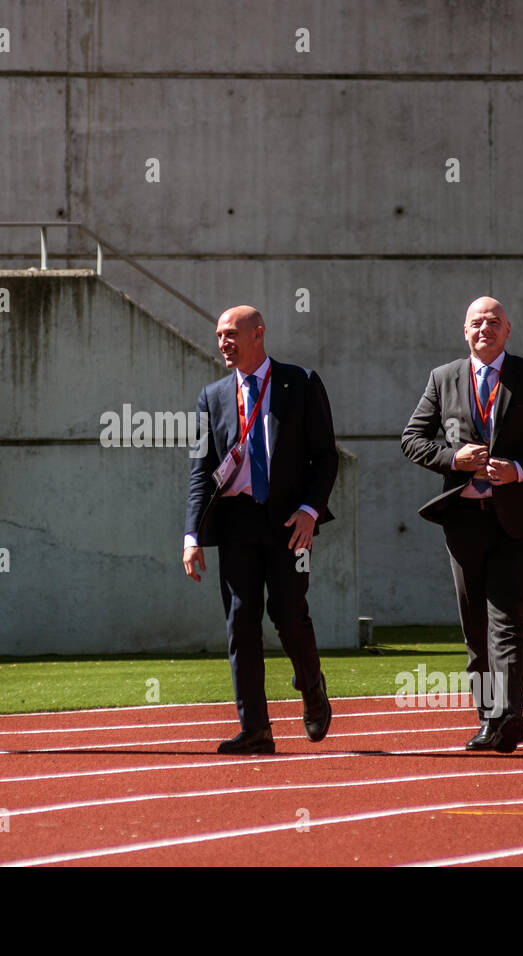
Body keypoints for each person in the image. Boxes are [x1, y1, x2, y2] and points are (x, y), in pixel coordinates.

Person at [401, 296, 523, 753]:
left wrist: (520, 470)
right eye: (477, 322)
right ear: (465, 331)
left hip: (516, 521)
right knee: (475, 628)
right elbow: (412, 438)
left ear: (508, 331)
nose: (485, 328)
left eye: (494, 322)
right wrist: (453, 458)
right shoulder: (443, 379)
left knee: (506, 620)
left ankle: (506, 717)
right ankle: (492, 717)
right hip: (462, 521)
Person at [183, 305, 338, 754]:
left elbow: (325, 457)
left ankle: (312, 687)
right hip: (236, 523)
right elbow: (201, 470)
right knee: (240, 623)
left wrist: (311, 510)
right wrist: (192, 536)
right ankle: (255, 728)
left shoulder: (301, 382)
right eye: (218, 335)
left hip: (290, 521)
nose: (223, 342)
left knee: (288, 614)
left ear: (259, 334)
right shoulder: (211, 397)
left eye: (231, 333)